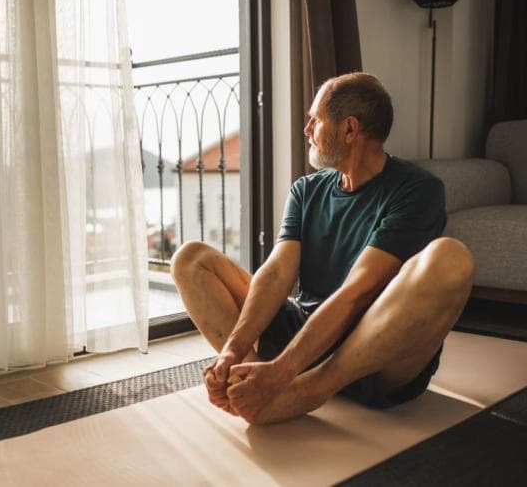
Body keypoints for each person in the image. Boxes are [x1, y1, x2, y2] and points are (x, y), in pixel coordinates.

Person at [170, 72, 474, 425]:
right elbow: (276, 273)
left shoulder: (417, 190)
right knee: (190, 259)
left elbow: (357, 294)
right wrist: (234, 351)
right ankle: (251, 379)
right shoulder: (307, 189)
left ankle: (307, 390)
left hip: (374, 354)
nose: (307, 129)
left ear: (349, 130)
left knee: (451, 259)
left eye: (315, 120)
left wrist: (283, 372)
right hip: (305, 333)